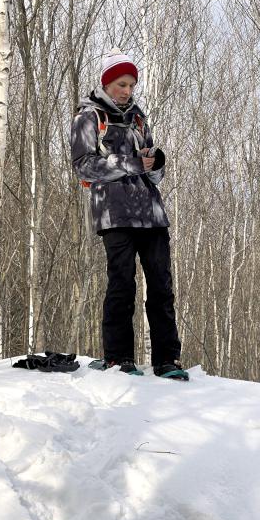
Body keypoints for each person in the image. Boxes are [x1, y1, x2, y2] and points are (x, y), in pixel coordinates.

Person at [70, 48, 187, 380]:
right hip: (114, 214)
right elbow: (84, 167)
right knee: (122, 284)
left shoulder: (138, 117)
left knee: (162, 286)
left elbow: (153, 174)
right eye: (121, 84)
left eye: (131, 85)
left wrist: (154, 162)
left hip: (151, 214)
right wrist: (132, 163)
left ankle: (167, 360)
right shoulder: (88, 117)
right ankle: (118, 358)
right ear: (107, 83)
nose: (127, 91)